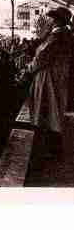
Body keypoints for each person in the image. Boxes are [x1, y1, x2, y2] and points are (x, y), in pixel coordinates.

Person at [27, 9, 73, 157]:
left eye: (52, 18)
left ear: (57, 21)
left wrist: (29, 68)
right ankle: (53, 148)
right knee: (54, 112)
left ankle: (51, 150)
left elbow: (41, 57)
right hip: (57, 77)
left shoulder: (56, 37)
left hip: (49, 78)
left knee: (48, 112)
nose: (50, 21)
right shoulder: (64, 35)